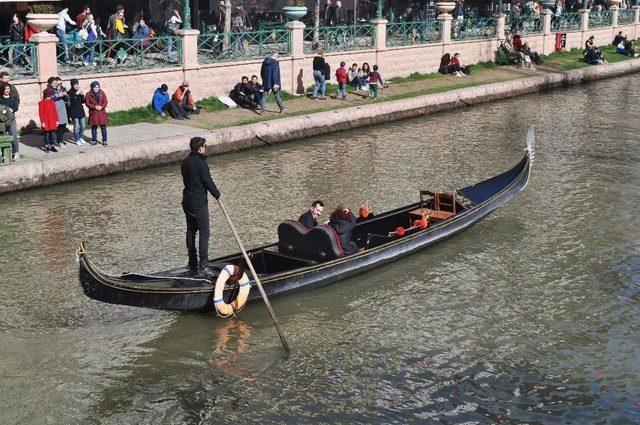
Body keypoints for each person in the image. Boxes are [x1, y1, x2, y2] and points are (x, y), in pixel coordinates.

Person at [181, 136, 221, 275]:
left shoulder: (185, 162)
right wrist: (217, 194)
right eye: (205, 146)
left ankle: (192, 263)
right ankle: (203, 265)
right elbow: (207, 181)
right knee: (204, 233)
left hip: (187, 202)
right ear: (200, 148)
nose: (205, 149)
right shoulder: (201, 164)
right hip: (199, 204)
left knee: (191, 231)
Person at [85, 81, 108, 146]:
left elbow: (105, 101)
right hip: (94, 113)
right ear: (92, 87)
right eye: (95, 87)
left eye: (97, 87)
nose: (96, 88)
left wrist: (101, 106)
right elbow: (87, 103)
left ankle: (104, 140)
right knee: (94, 127)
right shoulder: (88, 94)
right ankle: (94, 140)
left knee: (103, 127)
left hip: (101, 112)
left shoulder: (102, 92)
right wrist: (94, 107)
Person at [0, 83, 19, 160]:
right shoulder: (0, 99)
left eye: (8, 89)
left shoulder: (13, 98)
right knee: (3, 136)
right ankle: (3, 154)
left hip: (11, 119)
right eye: (5, 89)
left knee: (13, 135)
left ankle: (16, 152)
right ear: (2, 90)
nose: (7, 90)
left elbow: (16, 108)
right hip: (2, 120)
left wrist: (11, 109)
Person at [50, 77, 69, 147]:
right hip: (56, 109)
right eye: (58, 83)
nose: (59, 84)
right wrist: (57, 95)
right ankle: (59, 141)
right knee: (59, 126)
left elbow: (67, 99)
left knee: (63, 125)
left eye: (61, 83)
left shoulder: (62, 89)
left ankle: (60, 139)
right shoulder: (51, 90)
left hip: (62, 109)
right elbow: (49, 99)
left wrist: (65, 94)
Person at [67, 78, 87, 145]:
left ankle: (80, 137)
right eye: (75, 85)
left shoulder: (79, 91)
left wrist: (82, 94)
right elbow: (71, 102)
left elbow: (83, 101)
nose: (77, 86)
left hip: (81, 111)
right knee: (76, 126)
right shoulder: (69, 93)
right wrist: (76, 94)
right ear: (72, 85)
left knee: (83, 126)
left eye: (77, 84)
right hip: (74, 112)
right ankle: (77, 139)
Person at [39, 87, 59, 153]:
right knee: (46, 135)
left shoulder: (52, 102)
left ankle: (52, 146)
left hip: (52, 121)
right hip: (46, 121)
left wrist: (57, 120)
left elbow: (55, 111)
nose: (49, 97)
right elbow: (41, 113)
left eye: (50, 96)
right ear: (45, 96)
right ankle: (47, 146)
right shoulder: (41, 103)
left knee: (52, 135)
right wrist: (42, 122)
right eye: (48, 96)